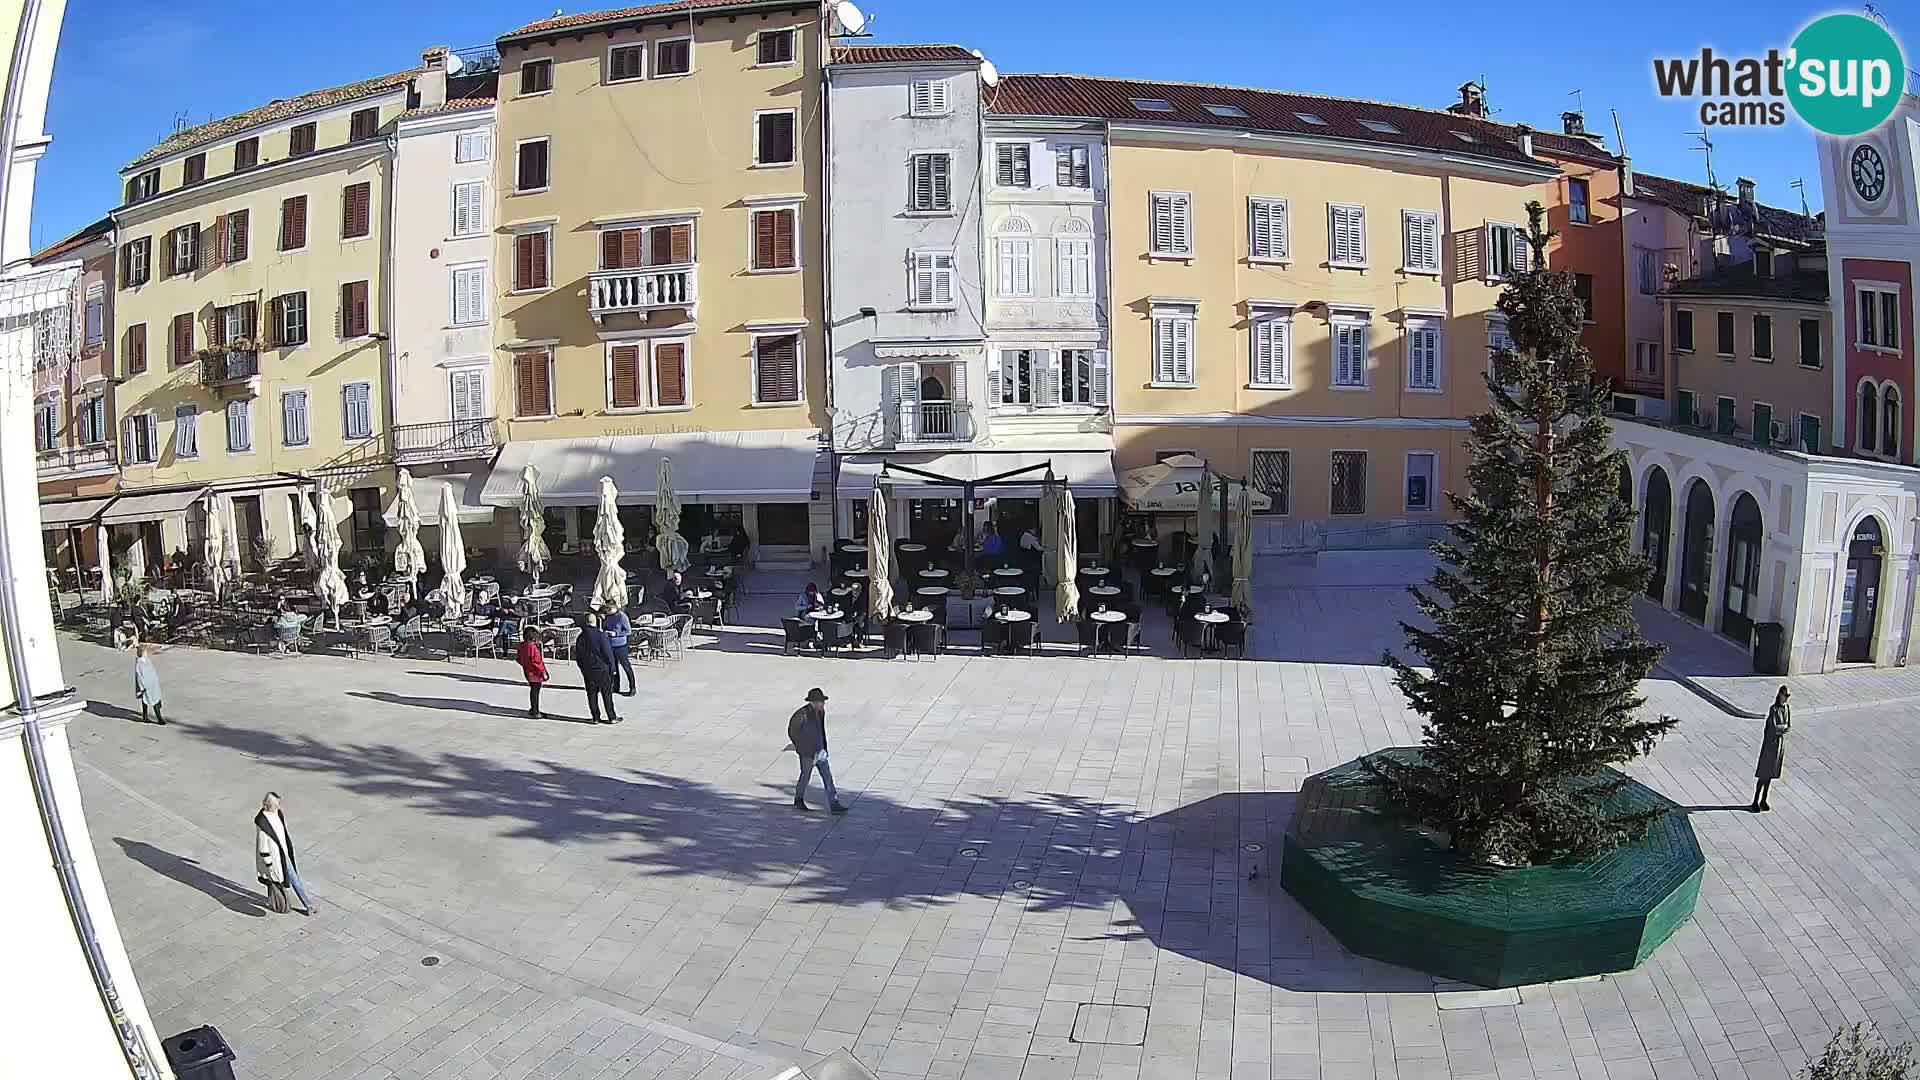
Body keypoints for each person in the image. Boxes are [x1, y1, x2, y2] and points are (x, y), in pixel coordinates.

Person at [254, 792, 317, 916]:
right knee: (293, 879)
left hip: (284, 854)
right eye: (277, 804)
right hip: (276, 858)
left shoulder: (278, 814)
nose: (279, 807)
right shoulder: (262, 822)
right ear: (270, 805)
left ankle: (275, 901)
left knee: (277, 881)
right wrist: (270, 865)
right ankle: (308, 905)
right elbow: (263, 847)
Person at [788, 688, 847, 813]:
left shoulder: (821, 712)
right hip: (807, 753)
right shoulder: (801, 715)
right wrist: (801, 748)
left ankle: (834, 803)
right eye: (821, 702)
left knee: (827, 777)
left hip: (820, 751)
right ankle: (798, 800)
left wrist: (824, 747)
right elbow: (792, 732)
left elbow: (821, 730)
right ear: (814, 702)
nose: (823, 704)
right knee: (805, 776)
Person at [574, 612, 621, 724]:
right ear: (595, 622)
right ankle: (611, 716)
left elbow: (578, 655)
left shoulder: (581, 637)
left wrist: (582, 668)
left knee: (591, 694)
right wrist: (612, 668)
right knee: (607, 694)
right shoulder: (600, 635)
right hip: (602, 669)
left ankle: (595, 717)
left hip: (588, 670)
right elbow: (607, 653)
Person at [1752, 686, 1791, 812]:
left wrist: (1783, 727)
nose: (1785, 699)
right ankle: (1755, 800)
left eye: (1786, 697)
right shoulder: (1773, 709)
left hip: (1778, 745)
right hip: (1769, 745)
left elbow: (1788, 725)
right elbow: (1774, 727)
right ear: (1779, 695)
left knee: (1770, 775)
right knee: (1763, 774)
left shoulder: (1787, 708)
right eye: (1784, 696)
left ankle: (1764, 799)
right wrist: (1782, 728)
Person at [516, 626, 549, 719]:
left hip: (527, 671)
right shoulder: (532, 647)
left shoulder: (522, 645)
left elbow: (518, 658)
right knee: (535, 692)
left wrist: (525, 665)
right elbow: (537, 661)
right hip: (536, 673)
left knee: (533, 690)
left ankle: (533, 708)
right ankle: (535, 711)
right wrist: (544, 672)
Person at [603, 603, 636, 696]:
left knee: (626, 666)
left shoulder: (622, 616)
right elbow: (605, 626)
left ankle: (632, 687)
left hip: (620, 645)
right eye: (607, 609)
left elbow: (628, 631)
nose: (607, 611)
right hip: (610, 644)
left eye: (609, 609)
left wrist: (616, 634)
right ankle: (615, 687)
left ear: (615, 608)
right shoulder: (607, 616)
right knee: (613, 667)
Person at [132, 642, 165, 725]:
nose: (146, 652)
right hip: (147, 686)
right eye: (145, 651)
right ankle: (155, 718)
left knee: (154, 699)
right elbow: (139, 676)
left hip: (153, 685)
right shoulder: (139, 664)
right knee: (147, 700)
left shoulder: (147, 660)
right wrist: (142, 687)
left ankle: (148, 716)